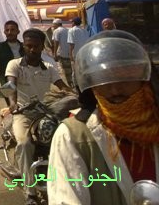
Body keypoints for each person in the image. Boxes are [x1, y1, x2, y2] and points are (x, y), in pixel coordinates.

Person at [48, 31, 159, 204]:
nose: (115, 90)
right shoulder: (73, 136)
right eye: (104, 80)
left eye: (124, 78)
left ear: (144, 79)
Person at [4, 28, 73, 205]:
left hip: (45, 112)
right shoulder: (14, 65)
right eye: (29, 46)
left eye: (36, 46)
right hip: (23, 113)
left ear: (42, 47)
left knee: (66, 137)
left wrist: (76, 94)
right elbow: (10, 86)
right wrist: (13, 103)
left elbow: (62, 86)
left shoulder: (49, 68)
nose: (32, 49)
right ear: (24, 46)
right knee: (24, 143)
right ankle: (30, 193)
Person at [51, 18, 72, 87]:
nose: (53, 26)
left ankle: (69, 85)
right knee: (69, 69)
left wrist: (54, 54)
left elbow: (56, 42)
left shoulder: (56, 31)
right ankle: (71, 83)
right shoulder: (67, 30)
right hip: (68, 53)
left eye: (53, 25)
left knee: (65, 70)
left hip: (61, 53)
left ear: (56, 24)